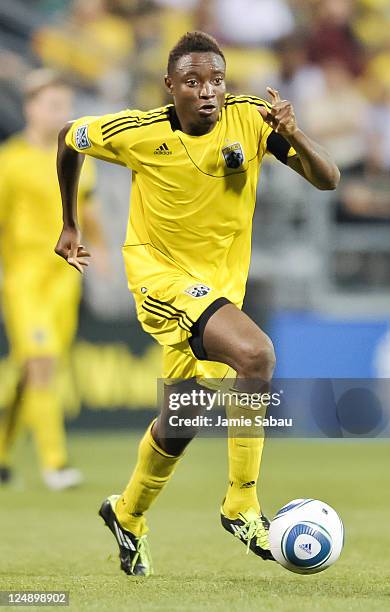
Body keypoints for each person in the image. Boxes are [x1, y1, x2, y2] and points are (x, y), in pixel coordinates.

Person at [55, 31, 340, 575]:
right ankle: (242, 502)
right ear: (171, 87)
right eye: (192, 81)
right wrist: (69, 220)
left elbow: (328, 180)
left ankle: (127, 513)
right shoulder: (137, 132)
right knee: (256, 356)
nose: (207, 91)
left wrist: (295, 133)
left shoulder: (253, 119)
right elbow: (70, 137)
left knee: (182, 415)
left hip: (218, 288)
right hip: (159, 277)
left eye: (216, 80)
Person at [0, 69, 105, 490]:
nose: (61, 113)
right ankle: (56, 463)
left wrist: (102, 254)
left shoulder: (75, 155)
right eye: (53, 105)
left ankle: (3, 453)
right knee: (40, 362)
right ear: (31, 109)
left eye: (65, 105)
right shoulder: (10, 160)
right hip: (25, 277)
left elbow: (88, 210)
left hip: (65, 279)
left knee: (35, 371)